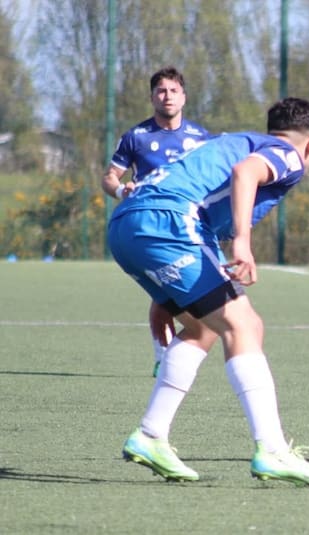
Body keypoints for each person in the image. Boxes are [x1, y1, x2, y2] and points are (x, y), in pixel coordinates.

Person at [107, 97, 309, 487]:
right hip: (171, 222)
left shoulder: (236, 139)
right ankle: (273, 449)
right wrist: (243, 242)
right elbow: (245, 174)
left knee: (203, 327)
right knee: (244, 326)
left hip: (127, 224)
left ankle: (151, 434)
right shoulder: (288, 154)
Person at [101, 66, 211, 377]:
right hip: (150, 227)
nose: (167, 96)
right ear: (152, 97)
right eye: (161, 91)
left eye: (173, 90)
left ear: (184, 97)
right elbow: (109, 177)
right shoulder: (136, 137)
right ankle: (164, 357)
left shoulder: (200, 138)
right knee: (164, 292)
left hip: (190, 225)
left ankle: (172, 355)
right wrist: (122, 189)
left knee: (187, 296)